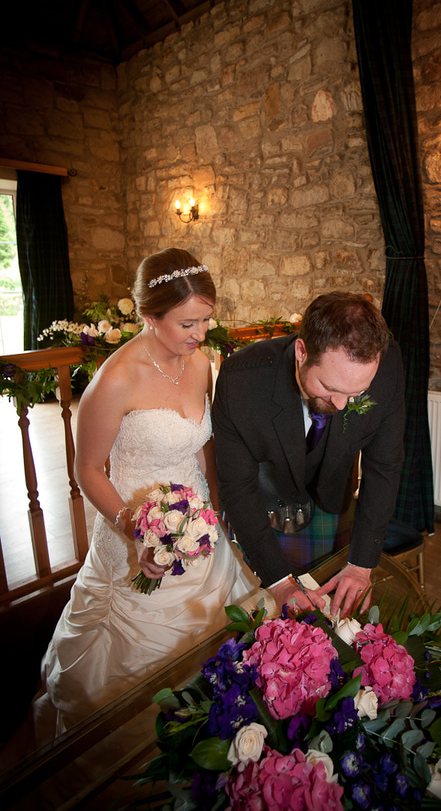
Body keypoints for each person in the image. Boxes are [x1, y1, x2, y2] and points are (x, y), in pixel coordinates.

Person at [35, 248, 258, 735]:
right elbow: (87, 470)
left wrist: (220, 506)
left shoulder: (200, 364)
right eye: (187, 324)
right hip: (133, 527)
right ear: (149, 317)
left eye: (206, 320)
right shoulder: (115, 380)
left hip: (199, 526)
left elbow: (202, 444)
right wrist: (135, 530)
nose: (200, 334)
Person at [212, 291, 405, 619]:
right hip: (264, 508)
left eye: (356, 393)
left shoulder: (387, 366)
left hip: (332, 500)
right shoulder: (241, 380)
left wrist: (361, 565)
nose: (341, 405)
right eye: (330, 388)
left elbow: (384, 466)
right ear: (302, 352)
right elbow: (237, 488)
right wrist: (279, 582)